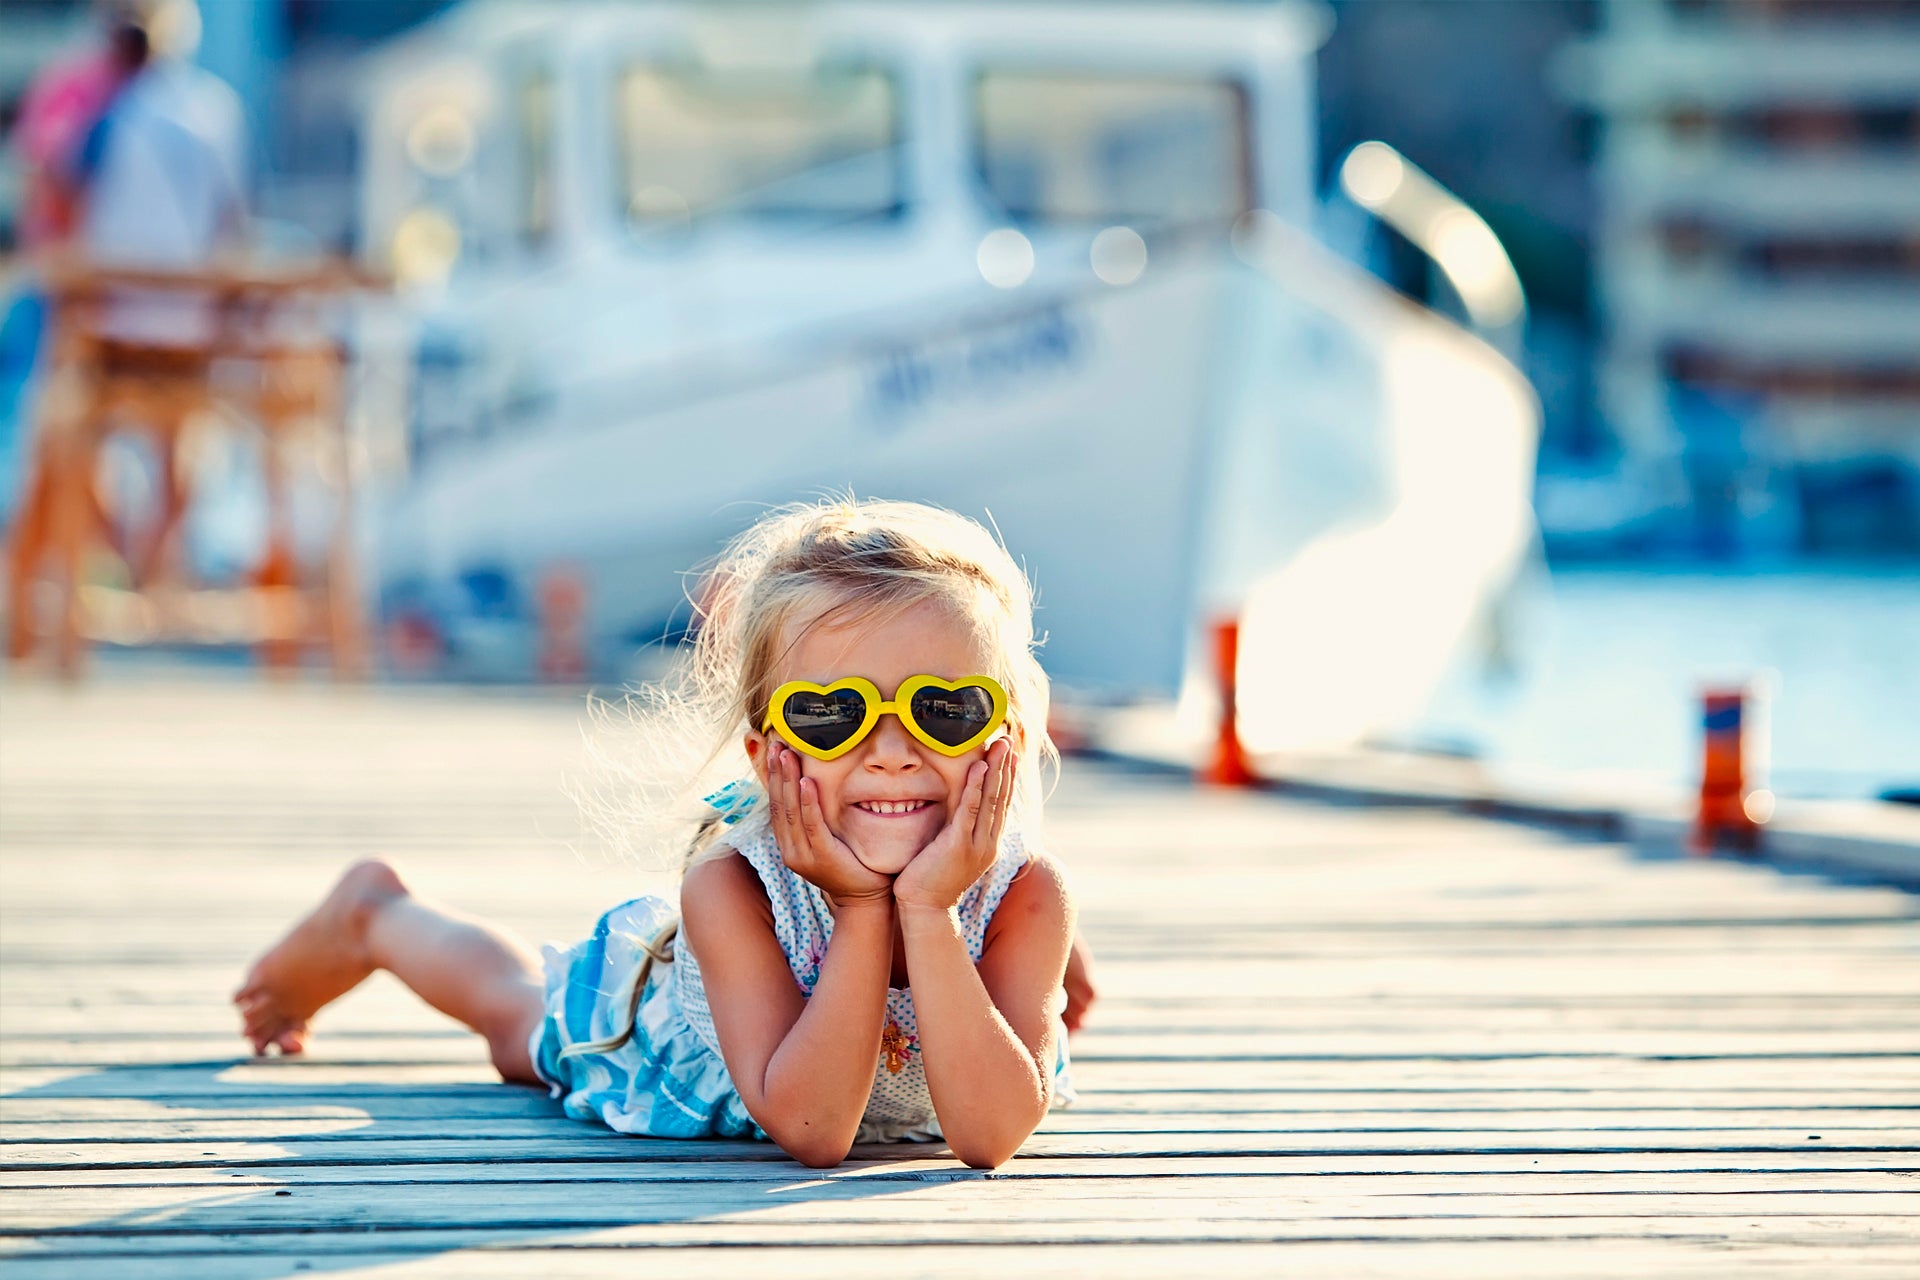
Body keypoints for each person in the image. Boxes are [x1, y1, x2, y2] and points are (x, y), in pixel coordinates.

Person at [235, 498, 1088, 1169]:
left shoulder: (1026, 894)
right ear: (766, 755)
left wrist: (946, 921)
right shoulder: (730, 887)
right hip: (696, 1061)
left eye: (945, 711)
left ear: (999, 740)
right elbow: (816, 1133)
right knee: (515, 1018)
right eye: (833, 716)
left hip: (914, 1019)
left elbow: (989, 1137)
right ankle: (376, 914)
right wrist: (866, 908)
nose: (893, 754)